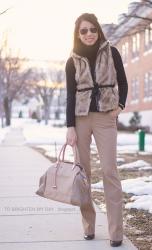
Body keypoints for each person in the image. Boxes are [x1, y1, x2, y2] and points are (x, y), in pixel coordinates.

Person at [65, 13, 128, 247]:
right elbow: (70, 95)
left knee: (110, 171)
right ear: (78, 34)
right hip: (80, 120)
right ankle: (89, 226)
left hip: (105, 118)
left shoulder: (112, 53)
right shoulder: (72, 61)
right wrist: (70, 127)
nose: (89, 34)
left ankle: (116, 232)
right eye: (83, 30)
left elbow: (122, 81)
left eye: (92, 29)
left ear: (98, 30)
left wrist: (119, 107)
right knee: (83, 175)